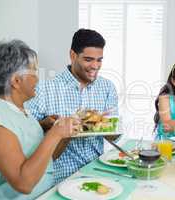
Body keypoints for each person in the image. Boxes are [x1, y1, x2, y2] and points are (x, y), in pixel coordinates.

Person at [26, 29, 118, 183]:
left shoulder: (107, 87)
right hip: (59, 178)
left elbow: (114, 136)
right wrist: (46, 124)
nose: (95, 66)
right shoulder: (45, 88)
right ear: (73, 55)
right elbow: (27, 134)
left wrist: (102, 123)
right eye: (88, 59)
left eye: (99, 60)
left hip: (98, 172)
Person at [0, 40, 80, 199]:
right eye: (34, 72)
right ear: (16, 81)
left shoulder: (22, 112)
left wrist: (64, 134)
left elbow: (44, 161)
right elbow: (23, 183)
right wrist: (55, 134)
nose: (38, 80)